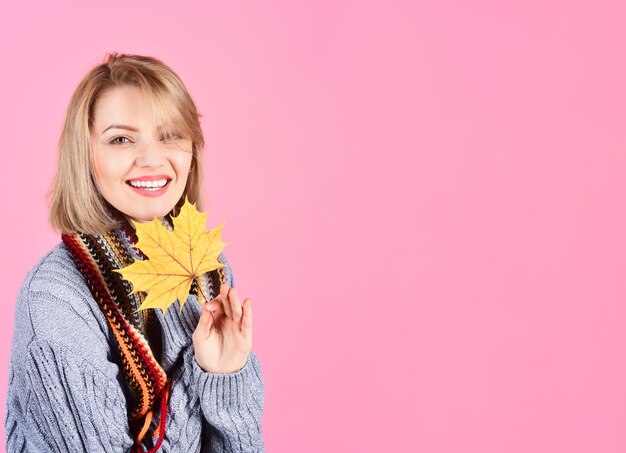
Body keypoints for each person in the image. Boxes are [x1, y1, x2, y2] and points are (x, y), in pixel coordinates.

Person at [5, 52, 265, 452]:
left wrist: (227, 375)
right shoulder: (56, 300)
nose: (151, 159)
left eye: (170, 135)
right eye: (121, 139)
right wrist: (201, 377)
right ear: (86, 155)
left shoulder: (208, 269)